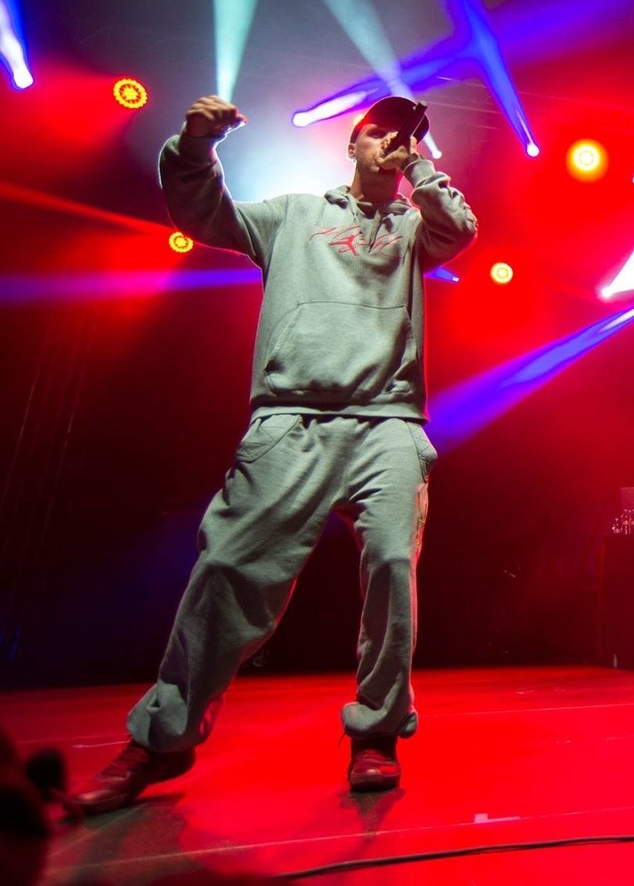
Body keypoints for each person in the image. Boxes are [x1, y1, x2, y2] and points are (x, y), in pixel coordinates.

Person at [70, 94, 477, 814]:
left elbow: (461, 228)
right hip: (290, 420)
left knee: (392, 565)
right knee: (227, 568)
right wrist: (195, 146)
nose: (390, 141)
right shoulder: (294, 214)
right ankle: (163, 737)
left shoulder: (414, 226)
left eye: (404, 135)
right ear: (351, 144)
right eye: (378, 131)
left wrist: (418, 169)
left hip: (386, 422)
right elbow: (204, 214)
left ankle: (377, 731)